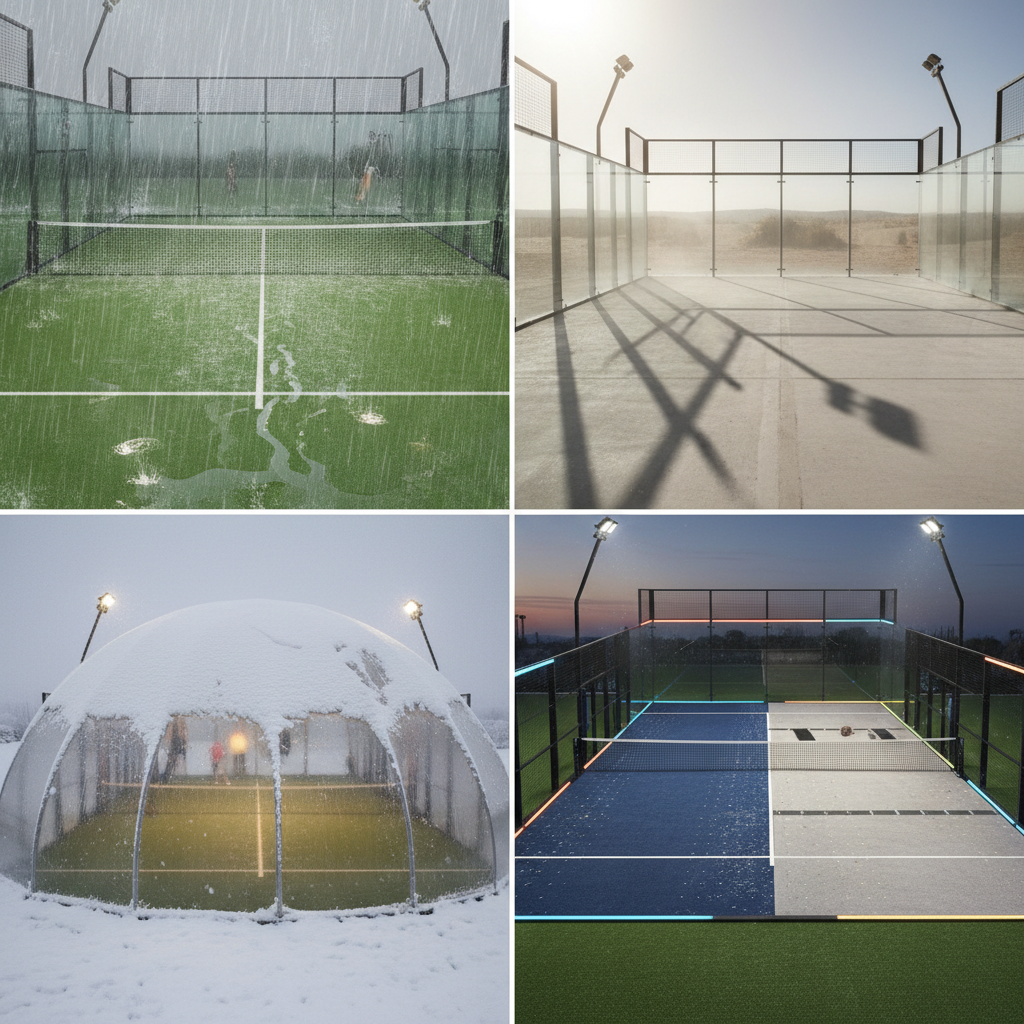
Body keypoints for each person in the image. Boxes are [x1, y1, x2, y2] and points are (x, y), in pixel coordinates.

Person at [160, 717, 188, 783]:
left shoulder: (178, 723)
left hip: (177, 744)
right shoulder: (173, 724)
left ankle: (168, 776)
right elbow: (169, 734)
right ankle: (167, 776)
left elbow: (183, 732)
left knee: (173, 762)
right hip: (175, 744)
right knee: (171, 762)